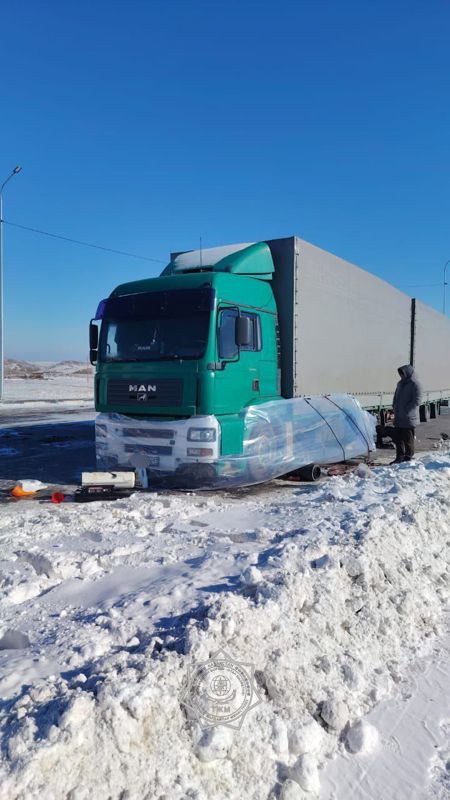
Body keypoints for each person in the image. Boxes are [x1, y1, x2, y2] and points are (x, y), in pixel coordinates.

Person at [391, 364, 421, 463]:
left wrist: (406, 410)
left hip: (408, 417)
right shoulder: (400, 383)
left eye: (402, 374)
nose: (401, 376)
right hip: (399, 416)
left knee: (408, 439)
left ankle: (408, 456)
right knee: (398, 438)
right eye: (400, 374)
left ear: (407, 373)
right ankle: (399, 457)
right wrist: (394, 406)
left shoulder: (415, 384)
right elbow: (396, 396)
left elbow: (417, 400)